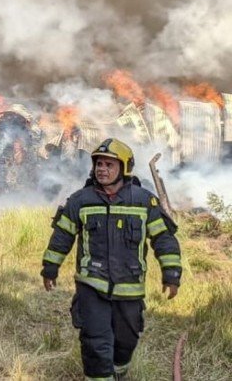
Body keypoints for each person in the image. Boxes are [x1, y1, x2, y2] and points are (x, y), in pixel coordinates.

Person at [41, 138, 182, 380]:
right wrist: (50, 268)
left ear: (124, 168)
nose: (102, 169)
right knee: (95, 340)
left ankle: (118, 372)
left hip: (130, 287)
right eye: (99, 164)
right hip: (91, 284)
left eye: (109, 165)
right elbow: (62, 237)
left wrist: (172, 274)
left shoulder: (144, 201)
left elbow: (164, 239)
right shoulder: (80, 201)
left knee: (125, 341)